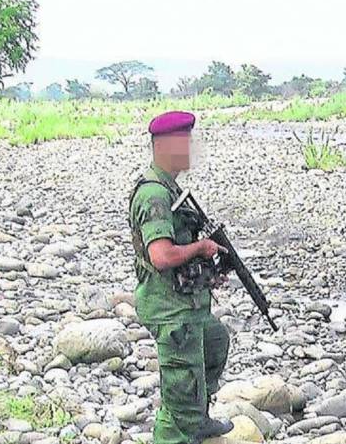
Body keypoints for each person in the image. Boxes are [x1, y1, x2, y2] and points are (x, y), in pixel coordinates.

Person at [128, 111, 234, 444]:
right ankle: (181, 430)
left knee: (216, 342)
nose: (191, 149)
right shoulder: (154, 195)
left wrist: (208, 272)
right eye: (185, 142)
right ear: (166, 145)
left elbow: (180, 250)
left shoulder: (170, 189)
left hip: (188, 305)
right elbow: (161, 256)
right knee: (179, 406)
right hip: (171, 312)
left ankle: (198, 419)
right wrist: (201, 248)